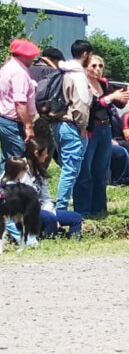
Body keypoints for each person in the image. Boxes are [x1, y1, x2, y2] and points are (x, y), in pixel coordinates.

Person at [74, 55, 129, 217]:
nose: (98, 69)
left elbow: (117, 102)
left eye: (100, 66)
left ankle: (99, 208)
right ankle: (83, 210)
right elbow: (91, 105)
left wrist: (125, 95)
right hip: (89, 131)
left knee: (101, 171)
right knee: (85, 171)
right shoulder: (82, 84)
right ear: (86, 67)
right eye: (93, 66)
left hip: (105, 129)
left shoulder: (103, 84)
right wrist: (110, 98)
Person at [8, 137, 83, 242]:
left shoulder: (39, 170)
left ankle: (74, 242)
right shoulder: (21, 169)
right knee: (49, 218)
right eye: (45, 153)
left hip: (40, 208)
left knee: (76, 218)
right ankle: (50, 241)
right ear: (36, 153)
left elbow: (45, 197)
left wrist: (51, 211)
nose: (47, 156)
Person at [54, 39, 94, 212]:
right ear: (85, 54)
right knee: (70, 171)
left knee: (67, 168)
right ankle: (61, 210)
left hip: (58, 124)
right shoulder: (78, 75)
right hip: (72, 126)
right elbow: (81, 105)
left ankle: (60, 205)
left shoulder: (62, 71)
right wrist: (83, 126)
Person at [0, 38, 40, 173]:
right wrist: (28, 126)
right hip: (13, 122)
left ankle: (3, 188)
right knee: (17, 161)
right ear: (24, 55)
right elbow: (20, 103)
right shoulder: (19, 73)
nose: (33, 58)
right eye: (31, 55)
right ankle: (9, 191)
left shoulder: (8, 67)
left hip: (5, 119)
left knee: (7, 159)